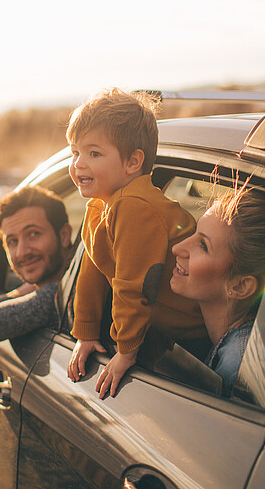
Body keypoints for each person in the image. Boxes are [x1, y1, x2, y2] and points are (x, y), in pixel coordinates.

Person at [65, 88, 206, 399]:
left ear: (132, 162)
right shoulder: (102, 205)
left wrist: (125, 351)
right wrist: (86, 333)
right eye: (75, 152)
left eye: (94, 153)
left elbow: (132, 285)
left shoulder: (134, 206)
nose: (78, 164)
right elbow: (92, 273)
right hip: (164, 330)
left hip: (194, 334)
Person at [170, 185, 265, 396]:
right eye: (195, 232)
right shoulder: (241, 346)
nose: (177, 248)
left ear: (239, 286)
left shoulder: (236, 369)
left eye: (203, 245)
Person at [0, 186, 74, 347]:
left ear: (64, 235)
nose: (22, 252)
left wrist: (21, 292)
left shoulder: (61, 297)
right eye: (12, 241)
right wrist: (27, 289)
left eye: (33, 234)